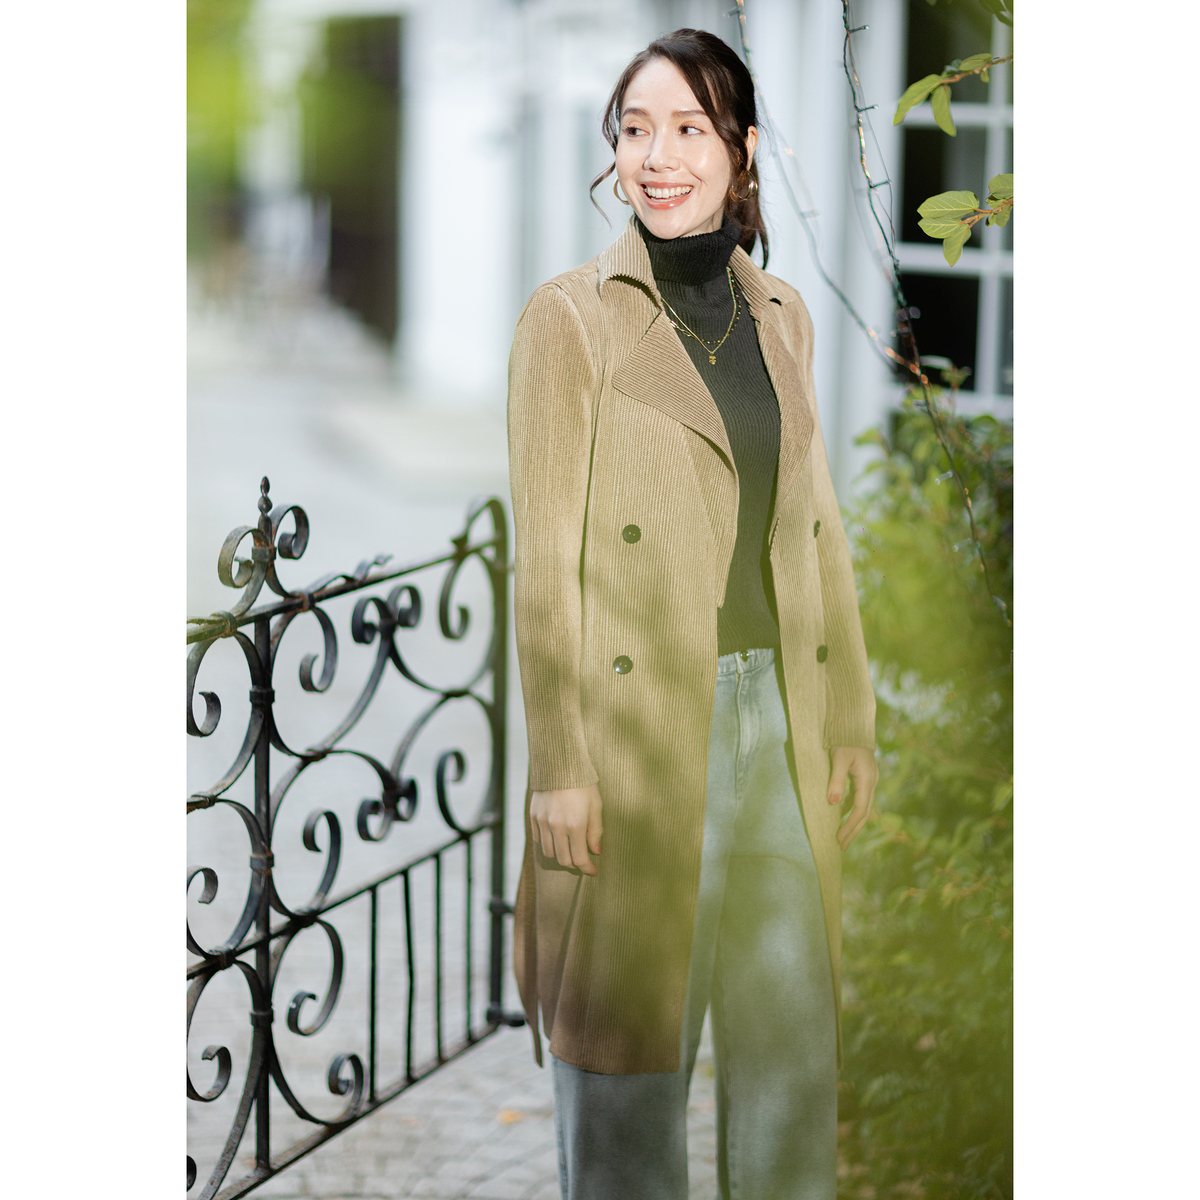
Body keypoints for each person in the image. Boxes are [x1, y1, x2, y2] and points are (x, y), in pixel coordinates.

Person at [506, 28, 878, 1200]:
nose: (658, 157)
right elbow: (545, 566)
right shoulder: (571, 321)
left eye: (689, 129)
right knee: (628, 1071)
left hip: (781, 721)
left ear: (742, 150)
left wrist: (848, 719)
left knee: (789, 1060)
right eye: (635, 130)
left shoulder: (782, 314)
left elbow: (814, 528)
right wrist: (562, 766)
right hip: (644, 736)